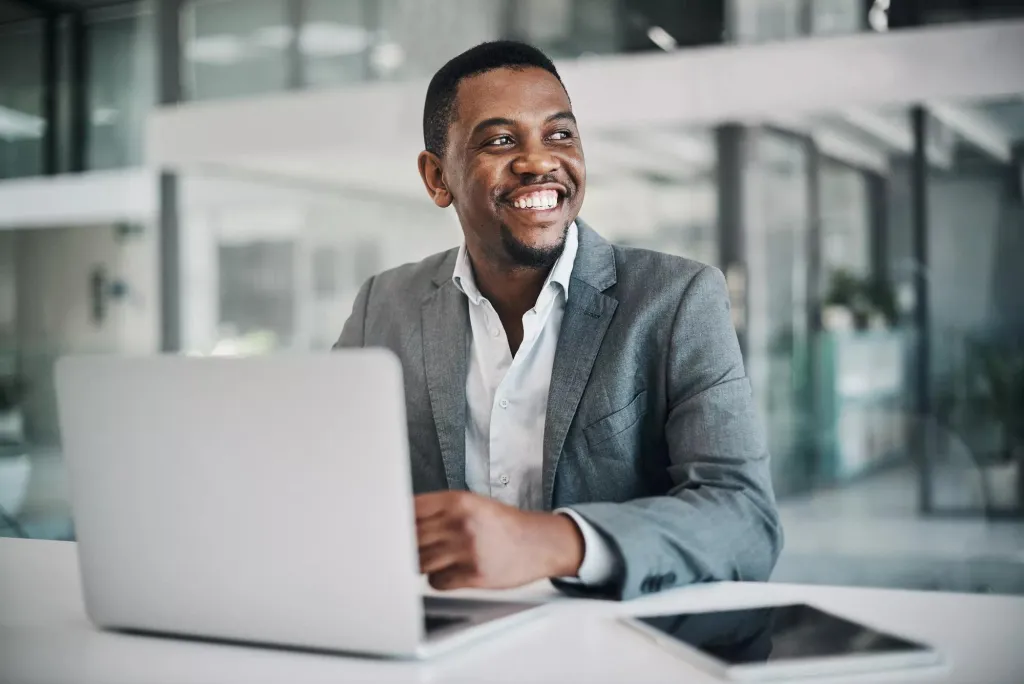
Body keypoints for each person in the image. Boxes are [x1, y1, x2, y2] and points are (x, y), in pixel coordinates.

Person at [335, 40, 782, 600]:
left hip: (613, 646)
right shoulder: (385, 304)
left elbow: (744, 521)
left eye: (559, 135)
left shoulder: (676, 300)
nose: (539, 161)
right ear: (436, 178)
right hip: (439, 640)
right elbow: (325, 478)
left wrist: (553, 542)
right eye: (500, 141)